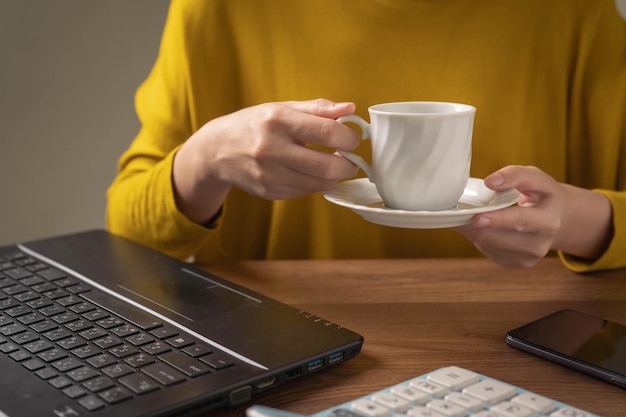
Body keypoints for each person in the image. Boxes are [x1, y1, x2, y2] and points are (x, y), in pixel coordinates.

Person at [106, 0, 626, 272]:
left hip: (520, 345)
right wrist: (207, 157)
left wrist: (575, 222)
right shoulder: (216, 8)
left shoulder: (573, 10)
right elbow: (128, 235)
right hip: (280, 349)